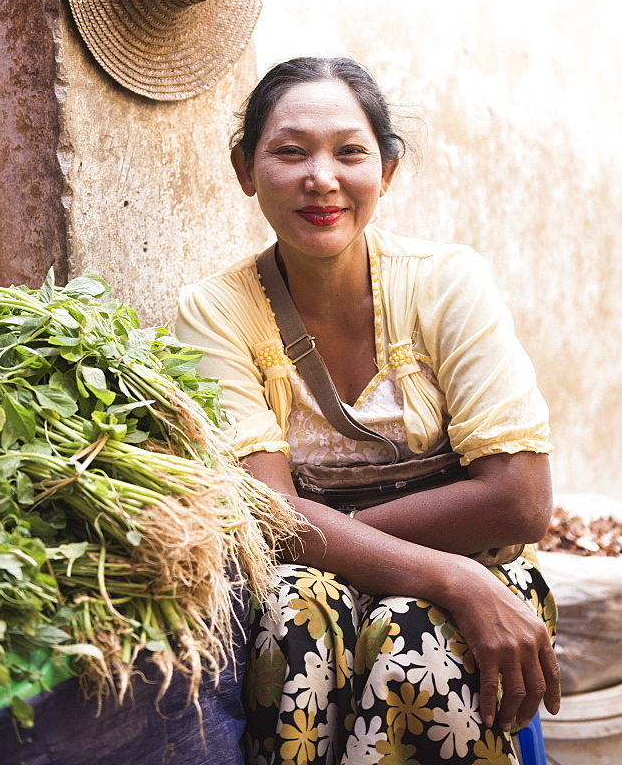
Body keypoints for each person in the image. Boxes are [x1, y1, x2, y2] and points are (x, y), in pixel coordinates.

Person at [175, 57, 560, 765]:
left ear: (384, 172)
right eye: (290, 152)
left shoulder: (446, 282)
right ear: (243, 169)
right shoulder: (214, 310)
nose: (321, 178)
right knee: (294, 612)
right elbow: (266, 511)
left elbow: (520, 499)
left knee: (411, 635)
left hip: (478, 567)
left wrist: (343, 541)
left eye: (348, 153)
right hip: (368, 576)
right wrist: (446, 574)